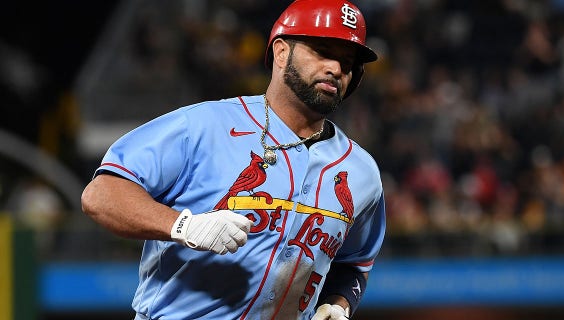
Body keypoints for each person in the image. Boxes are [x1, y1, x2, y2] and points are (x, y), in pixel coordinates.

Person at [81, 0, 385, 319]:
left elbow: (355, 263)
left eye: (347, 62)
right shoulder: (205, 125)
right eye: (322, 51)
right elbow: (101, 195)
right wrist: (183, 225)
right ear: (281, 53)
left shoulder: (362, 172)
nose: (336, 69)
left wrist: (339, 305)